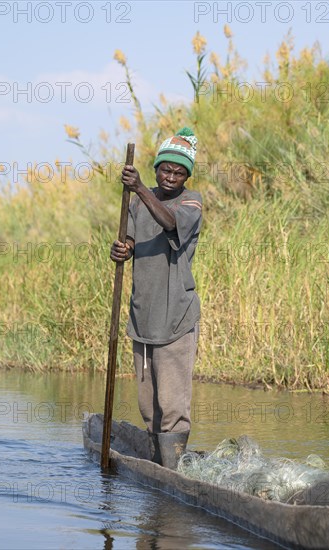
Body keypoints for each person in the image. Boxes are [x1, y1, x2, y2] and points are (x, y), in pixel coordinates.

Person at [110, 127, 202, 469]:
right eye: (166, 169)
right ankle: (156, 467)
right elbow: (131, 242)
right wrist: (121, 250)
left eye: (179, 172)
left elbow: (168, 222)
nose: (171, 177)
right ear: (157, 168)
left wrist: (138, 189)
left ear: (186, 176)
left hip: (176, 318)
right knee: (149, 407)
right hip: (142, 319)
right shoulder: (136, 201)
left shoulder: (191, 203)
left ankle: (173, 471)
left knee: (173, 407)